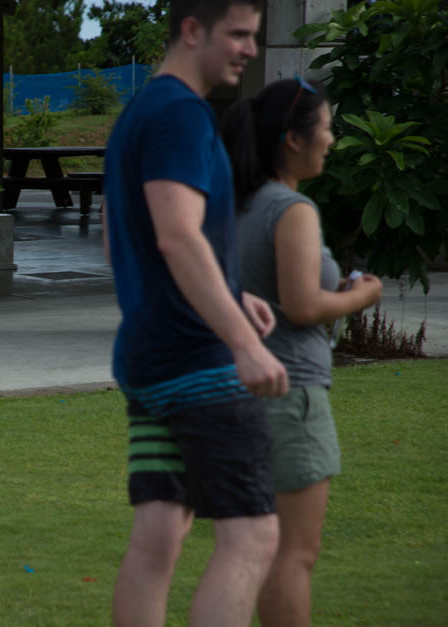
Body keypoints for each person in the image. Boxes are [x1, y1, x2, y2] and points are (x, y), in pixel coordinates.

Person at [102, 1, 290, 625]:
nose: (249, 50)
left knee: (158, 532)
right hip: (198, 365)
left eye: (252, 36)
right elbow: (178, 237)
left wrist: (233, 292)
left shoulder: (139, 114)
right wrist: (242, 341)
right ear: (191, 30)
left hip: (150, 359)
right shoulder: (180, 114)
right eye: (237, 34)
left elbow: (118, 238)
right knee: (253, 534)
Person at [222, 77, 383, 627]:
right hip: (290, 396)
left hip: (239, 393)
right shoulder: (290, 209)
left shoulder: (237, 206)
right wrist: (363, 294)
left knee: (253, 551)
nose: (333, 139)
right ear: (293, 138)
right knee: (294, 555)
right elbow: (300, 305)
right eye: (328, 127)